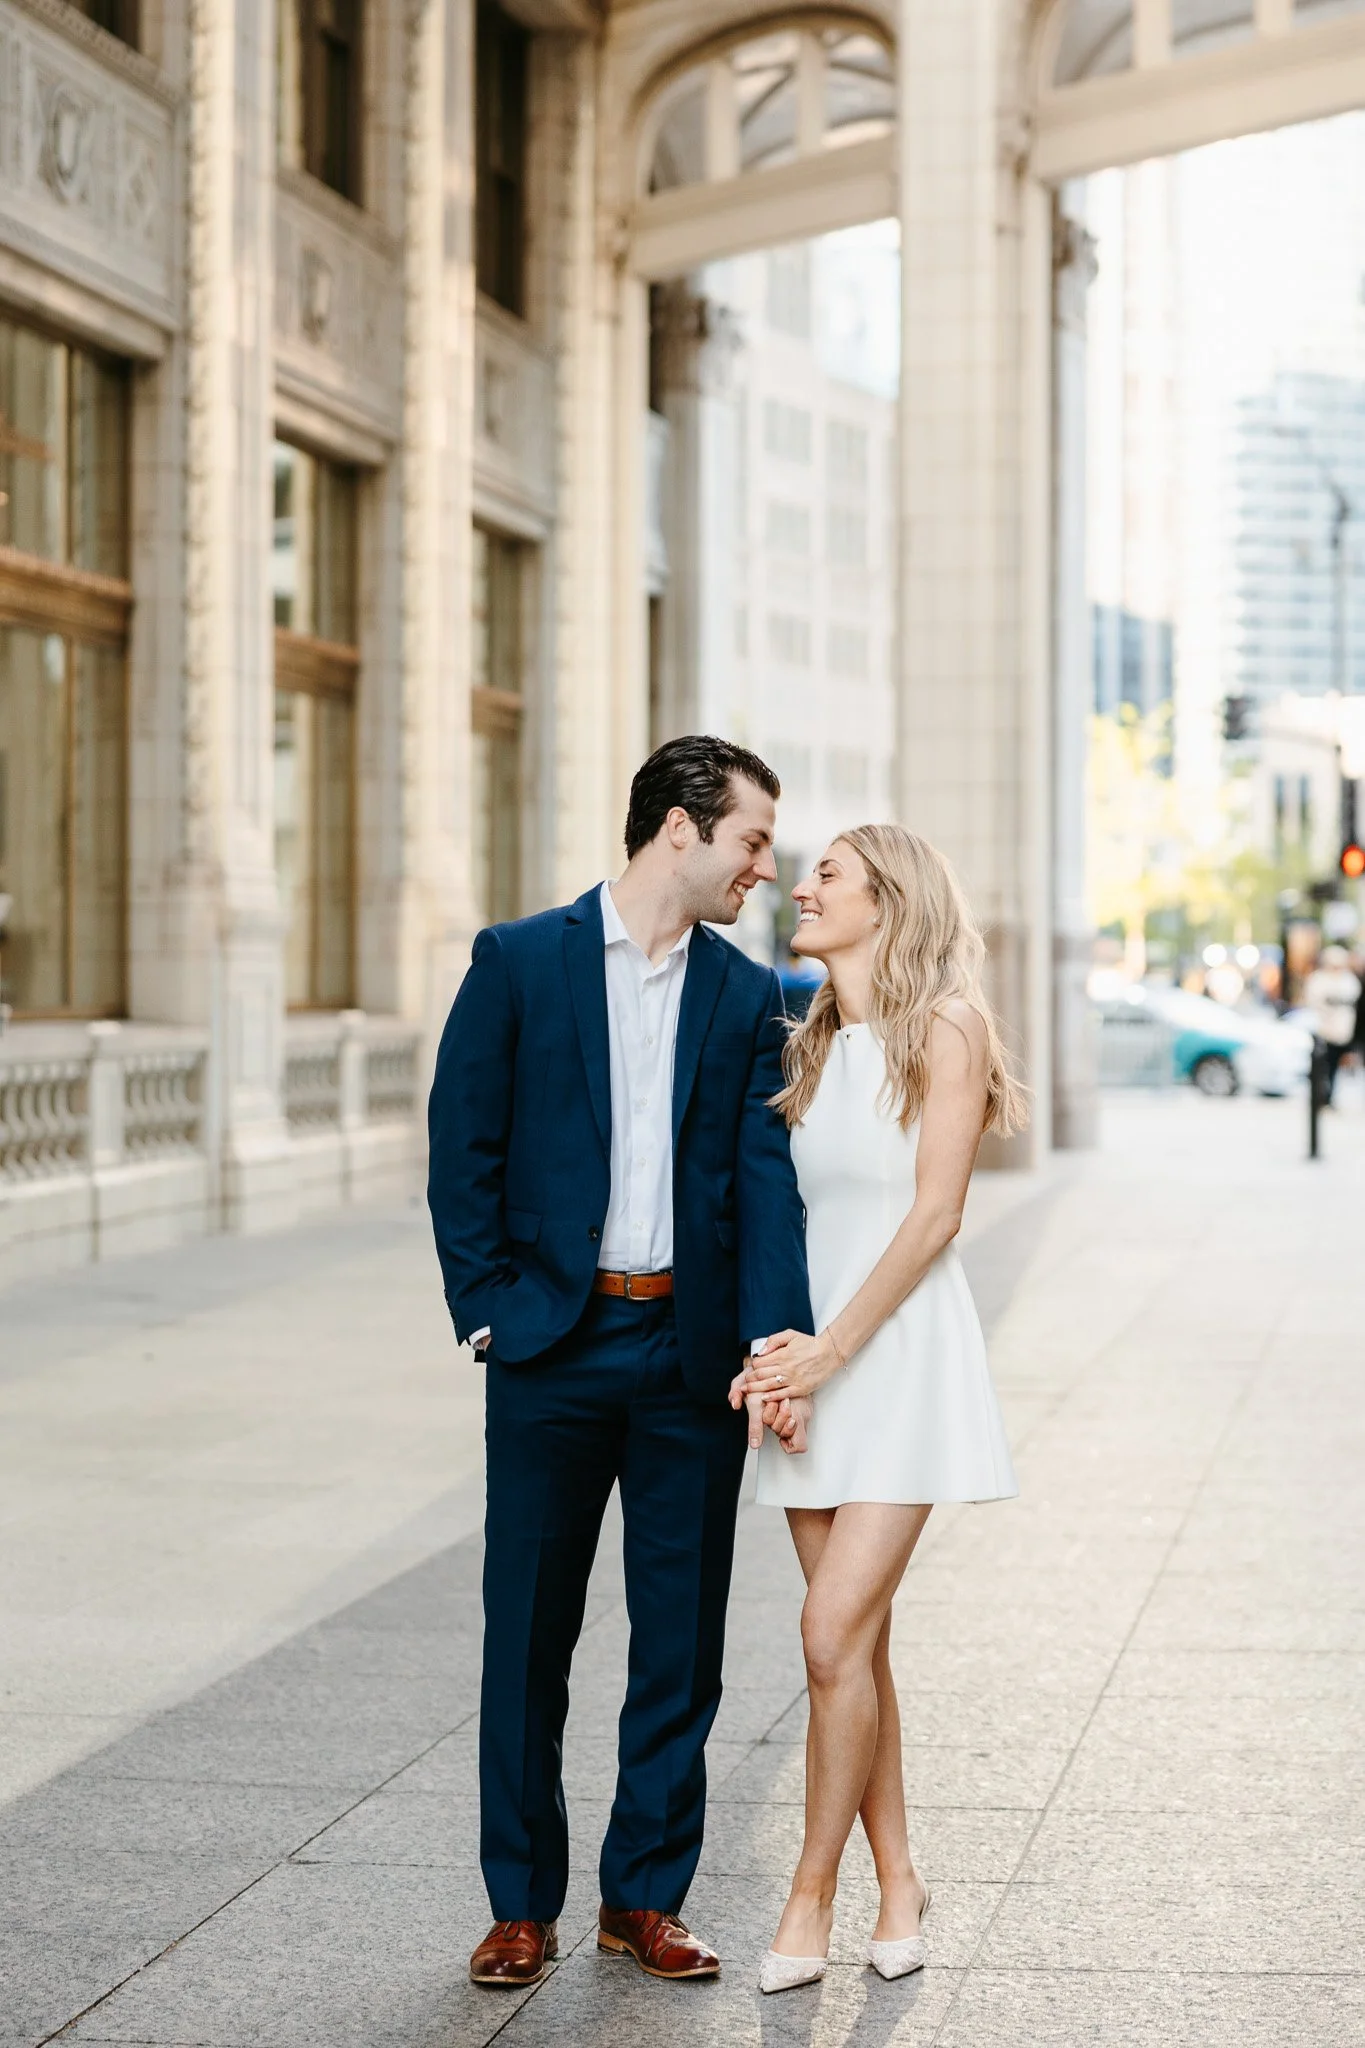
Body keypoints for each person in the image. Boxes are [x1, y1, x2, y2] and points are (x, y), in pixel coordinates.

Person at [428, 735, 813, 1991]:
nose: (765, 866)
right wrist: (488, 1309)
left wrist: (772, 1346)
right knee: (527, 1635)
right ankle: (519, 1904)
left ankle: (643, 1894)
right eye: (753, 839)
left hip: (687, 1355)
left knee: (681, 1642)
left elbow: (765, 1182)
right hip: (551, 1345)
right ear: (680, 828)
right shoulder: (519, 961)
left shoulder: (747, 994)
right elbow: (462, 1146)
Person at [732, 824, 1026, 1995]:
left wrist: (831, 1353)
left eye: (829, 875)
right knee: (853, 1645)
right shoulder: (806, 1043)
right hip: (814, 1372)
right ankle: (900, 1877)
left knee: (825, 1633)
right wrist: (779, 1360)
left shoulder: (946, 1027)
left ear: (886, 902)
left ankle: (810, 1892)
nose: (802, 886)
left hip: (898, 1363)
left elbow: (935, 1215)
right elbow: (783, 1220)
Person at [1304, 943, 1362, 1104]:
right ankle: (1320, 1095)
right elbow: (1313, 1003)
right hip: (1323, 1032)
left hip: (1343, 1032)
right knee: (1321, 1066)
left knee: (1335, 1067)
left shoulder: (1349, 981)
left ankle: (1329, 1095)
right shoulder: (1319, 980)